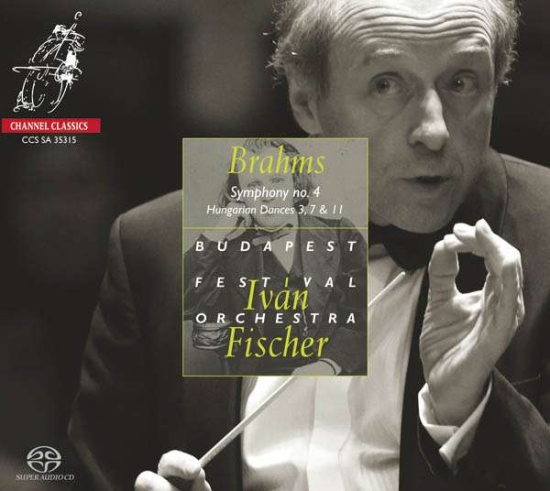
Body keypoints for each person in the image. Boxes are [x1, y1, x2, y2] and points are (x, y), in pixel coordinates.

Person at [69, 0, 550, 490]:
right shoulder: (160, 248)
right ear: (306, 101)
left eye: (462, 82)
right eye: (386, 85)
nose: (434, 131)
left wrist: (469, 412)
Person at [183, 138, 367, 376]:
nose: (267, 195)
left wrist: (330, 364)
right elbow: (184, 301)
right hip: (264, 382)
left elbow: (366, 311)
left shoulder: (340, 234)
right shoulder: (227, 255)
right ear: (239, 196)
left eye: (277, 180)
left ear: (295, 184)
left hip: (336, 372)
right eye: (254, 185)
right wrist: (217, 232)